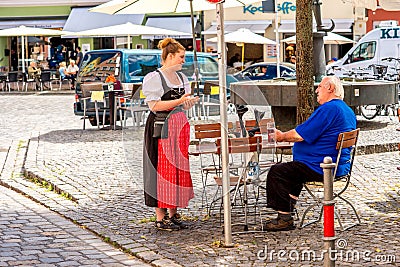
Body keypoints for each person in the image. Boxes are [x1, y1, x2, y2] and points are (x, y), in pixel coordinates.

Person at [263, 76, 356, 231]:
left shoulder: (329, 109)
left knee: (277, 172)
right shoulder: (346, 110)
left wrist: (281, 136)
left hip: (323, 167)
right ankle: (288, 208)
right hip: (338, 166)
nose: (316, 90)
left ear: (330, 88)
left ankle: (284, 218)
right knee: (294, 171)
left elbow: (300, 135)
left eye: (319, 86)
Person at [142, 38, 199, 231]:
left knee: (178, 168)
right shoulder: (154, 78)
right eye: (181, 57)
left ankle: (174, 213)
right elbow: (154, 106)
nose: (184, 60)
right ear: (170, 56)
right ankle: (160, 217)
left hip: (179, 125)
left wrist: (187, 103)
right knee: (163, 169)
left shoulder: (183, 78)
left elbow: (183, 102)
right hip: (162, 126)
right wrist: (179, 101)